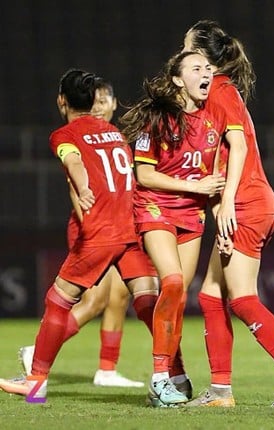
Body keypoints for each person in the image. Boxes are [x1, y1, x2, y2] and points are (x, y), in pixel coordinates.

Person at [0, 69, 159, 403]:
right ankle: (174, 377)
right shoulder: (115, 133)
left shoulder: (64, 134)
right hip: (129, 230)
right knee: (147, 304)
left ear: (62, 100)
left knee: (57, 301)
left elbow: (73, 161)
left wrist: (83, 186)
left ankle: (36, 381)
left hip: (99, 231)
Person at [180, 20, 274, 408]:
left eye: (188, 47)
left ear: (203, 56)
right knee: (209, 296)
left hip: (248, 204)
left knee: (240, 299)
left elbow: (237, 147)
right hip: (245, 203)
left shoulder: (220, 91)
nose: (184, 53)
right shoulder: (217, 94)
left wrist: (227, 206)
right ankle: (221, 390)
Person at [119, 50, 224, 407]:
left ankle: (175, 371)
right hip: (155, 207)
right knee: (174, 281)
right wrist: (197, 186)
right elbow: (144, 174)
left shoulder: (213, 120)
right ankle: (160, 379)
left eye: (208, 68)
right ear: (178, 79)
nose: (205, 73)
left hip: (191, 215)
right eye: (196, 68)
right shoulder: (157, 119)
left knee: (176, 299)